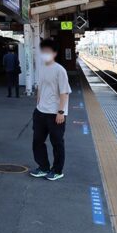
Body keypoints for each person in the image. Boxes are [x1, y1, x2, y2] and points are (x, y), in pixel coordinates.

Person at [30, 39, 71, 181]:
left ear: (54, 53)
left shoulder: (60, 70)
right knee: (37, 141)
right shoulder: (41, 68)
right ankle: (43, 167)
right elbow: (40, 88)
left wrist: (61, 112)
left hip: (55, 114)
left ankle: (57, 170)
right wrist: (37, 106)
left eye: (48, 52)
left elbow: (64, 93)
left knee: (57, 143)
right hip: (41, 112)